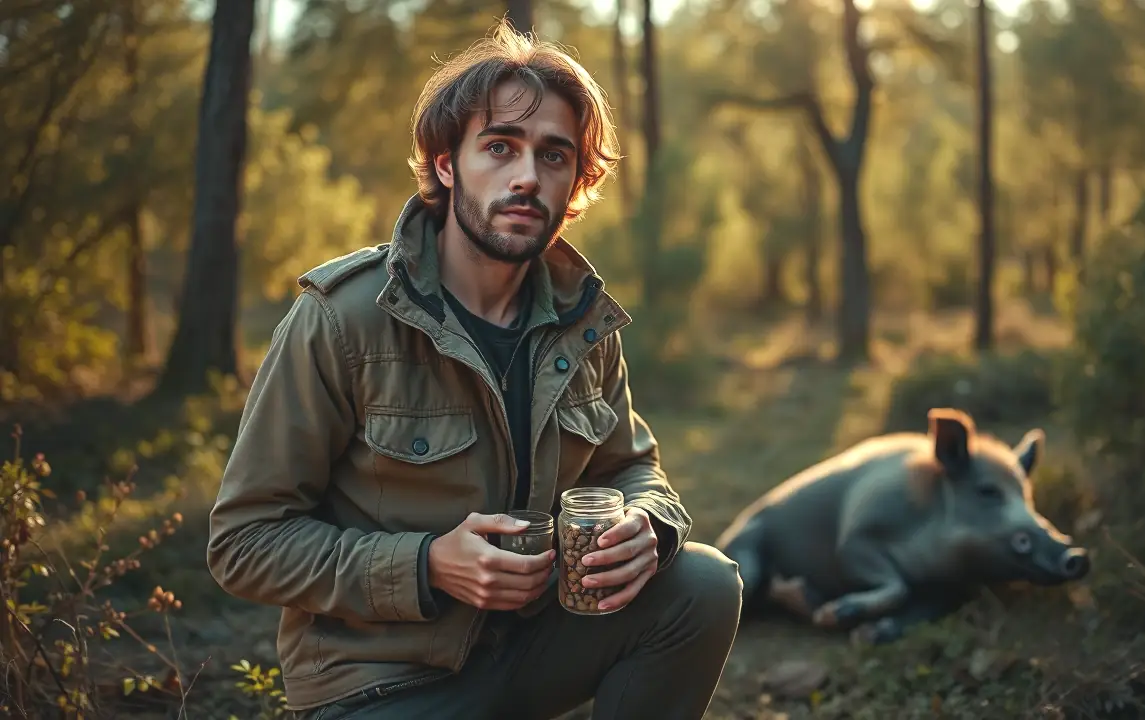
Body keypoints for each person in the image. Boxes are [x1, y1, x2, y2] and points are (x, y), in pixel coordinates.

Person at [206, 19, 743, 720]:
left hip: (532, 653)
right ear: (446, 164)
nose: (527, 176)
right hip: (378, 682)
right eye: (499, 147)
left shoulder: (583, 320)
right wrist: (427, 564)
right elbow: (245, 542)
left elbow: (631, 469)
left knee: (702, 584)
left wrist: (649, 523)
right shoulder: (343, 318)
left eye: (554, 157)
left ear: (574, 182)